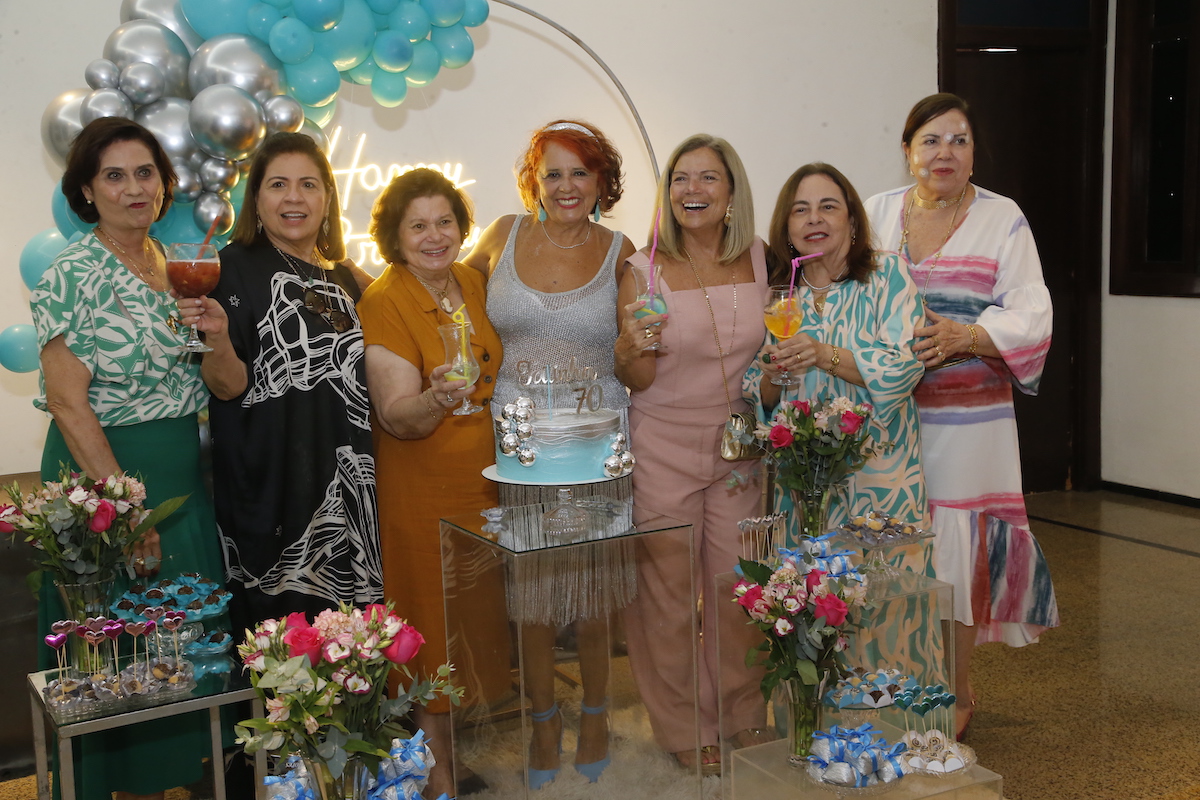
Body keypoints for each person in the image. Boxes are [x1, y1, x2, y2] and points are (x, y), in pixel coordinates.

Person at [29, 116, 224, 800]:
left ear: (164, 184)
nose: (134, 188)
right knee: (124, 658)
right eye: (114, 175)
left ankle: (183, 778)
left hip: (180, 479)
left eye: (145, 173)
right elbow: (67, 402)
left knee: (185, 644)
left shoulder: (176, 266)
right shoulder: (71, 273)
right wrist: (125, 509)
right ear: (87, 190)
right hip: (106, 483)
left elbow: (207, 376)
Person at [864, 92, 1060, 738]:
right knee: (893, 547)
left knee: (956, 554)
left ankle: (954, 685)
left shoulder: (1002, 218)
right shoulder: (877, 213)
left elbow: (1032, 313)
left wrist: (966, 336)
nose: (944, 152)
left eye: (959, 140)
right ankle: (895, 678)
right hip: (888, 421)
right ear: (907, 151)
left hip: (970, 424)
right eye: (931, 140)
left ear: (975, 153)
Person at [463, 119, 637, 788]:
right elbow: (443, 291)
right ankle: (542, 721)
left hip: (596, 445)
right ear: (533, 182)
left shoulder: (622, 252)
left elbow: (637, 347)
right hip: (522, 446)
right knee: (532, 594)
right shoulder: (502, 236)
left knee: (593, 595)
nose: (566, 186)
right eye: (552, 173)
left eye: (580, 172)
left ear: (601, 182)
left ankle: (595, 715)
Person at [178, 131, 383, 634]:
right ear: (256, 199)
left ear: (328, 198)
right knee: (283, 653)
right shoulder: (226, 270)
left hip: (347, 491)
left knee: (351, 647)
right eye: (278, 184)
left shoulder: (343, 277)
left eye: (309, 184)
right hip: (270, 494)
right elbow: (226, 387)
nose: (295, 197)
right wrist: (216, 338)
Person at [614, 134, 768, 773]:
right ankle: (683, 725)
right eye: (681, 178)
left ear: (731, 193)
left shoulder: (759, 257)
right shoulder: (640, 270)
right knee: (668, 597)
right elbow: (637, 377)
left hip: (741, 448)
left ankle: (743, 712)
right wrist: (628, 348)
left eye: (708, 178)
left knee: (741, 586)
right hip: (662, 444)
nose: (692, 190)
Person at [357, 168, 511, 798]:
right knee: (428, 623)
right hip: (421, 486)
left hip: (483, 484)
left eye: (444, 221)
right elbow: (397, 415)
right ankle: (436, 772)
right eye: (417, 225)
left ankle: (447, 754)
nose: (434, 235)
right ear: (394, 237)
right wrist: (436, 399)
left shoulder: (471, 281)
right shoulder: (385, 301)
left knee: (471, 620)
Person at [742, 163, 926, 541]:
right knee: (808, 575)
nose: (814, 218)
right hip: (803, 481)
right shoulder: (782, 296)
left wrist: (824, 355)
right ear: (787, 229)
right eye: (800, 210)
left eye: (828, 206)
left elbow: (904, 368)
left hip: (880, 472)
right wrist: (772, 378)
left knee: (880, 574)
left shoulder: (887, 273)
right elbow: (760, 395)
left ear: (852, 220)